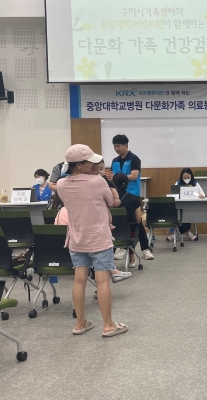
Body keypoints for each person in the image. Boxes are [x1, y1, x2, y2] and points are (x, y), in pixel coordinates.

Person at [56, 144, 128, 338]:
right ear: (79, 165)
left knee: (79, 280)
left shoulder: (61, 184)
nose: (94, 165)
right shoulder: (98, 181)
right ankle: (108, 325)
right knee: (102, 280)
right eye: (90, 162)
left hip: (76, 238)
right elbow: (111, 202)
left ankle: (80, 323)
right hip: (98, 237)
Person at [54, 205, 132, 283]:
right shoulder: (81, 211)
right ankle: (111, 272)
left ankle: (112, 271)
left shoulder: (61, 211)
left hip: (57, 254)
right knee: (98, 246)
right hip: (76, 252)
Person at [112, 173, 154, 263]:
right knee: (139, 223)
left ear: (114, 184)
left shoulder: (109, 198)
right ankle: (145, 250)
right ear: (127, 184)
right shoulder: (133, 199)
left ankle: (124, 252)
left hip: (111, 231)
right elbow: (138, 219)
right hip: (129, 231)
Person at [172, 168, 205, 241]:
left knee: (187, 212)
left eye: (188, 177)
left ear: (191, 176)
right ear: (181, 177)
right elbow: (174, 195)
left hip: (191, 207)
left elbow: (203, 194)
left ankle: (179, 233)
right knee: (181, 213)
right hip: (180, 206)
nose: (186, 179)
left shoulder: (195, 183)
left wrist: (200, 195)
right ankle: (187, 232)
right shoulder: (178, 183)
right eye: (184, 178)